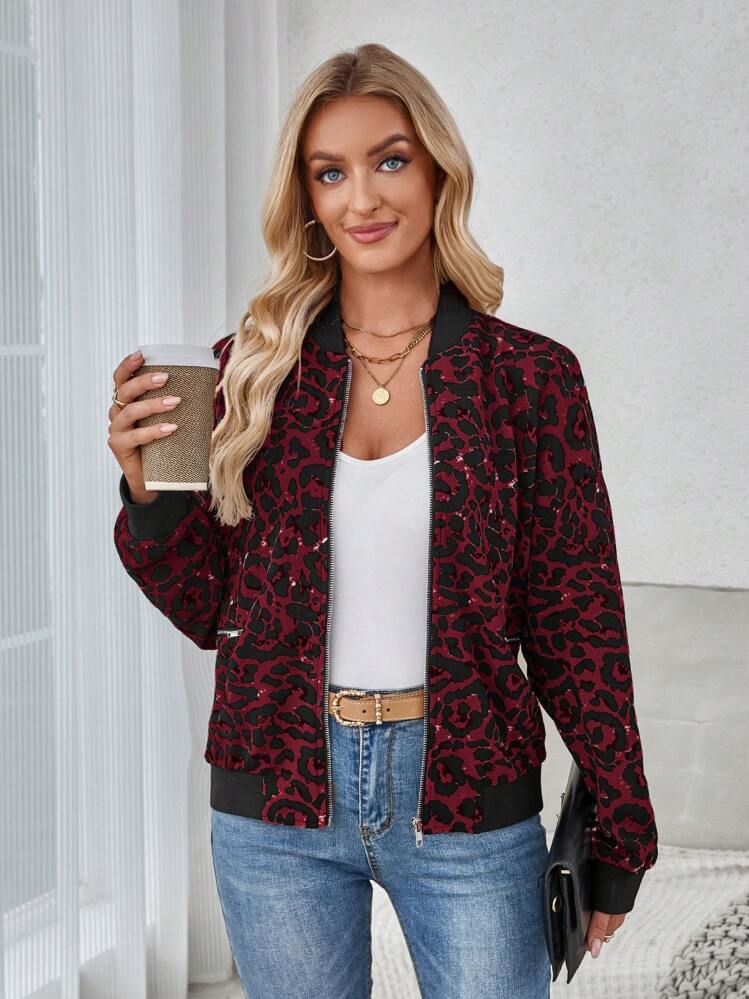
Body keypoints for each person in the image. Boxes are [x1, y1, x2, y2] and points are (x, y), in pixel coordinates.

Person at [108, 42, 658, 999]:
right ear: (306, 198)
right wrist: (148, 497)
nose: (360, 197)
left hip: (466, 798)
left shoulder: (529, 379)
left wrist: (622, 824)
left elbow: (576, 621)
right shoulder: (248, 371)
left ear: (438, 168)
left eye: (389, 160)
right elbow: (210, 610)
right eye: (330, 172)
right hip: (274, 799)